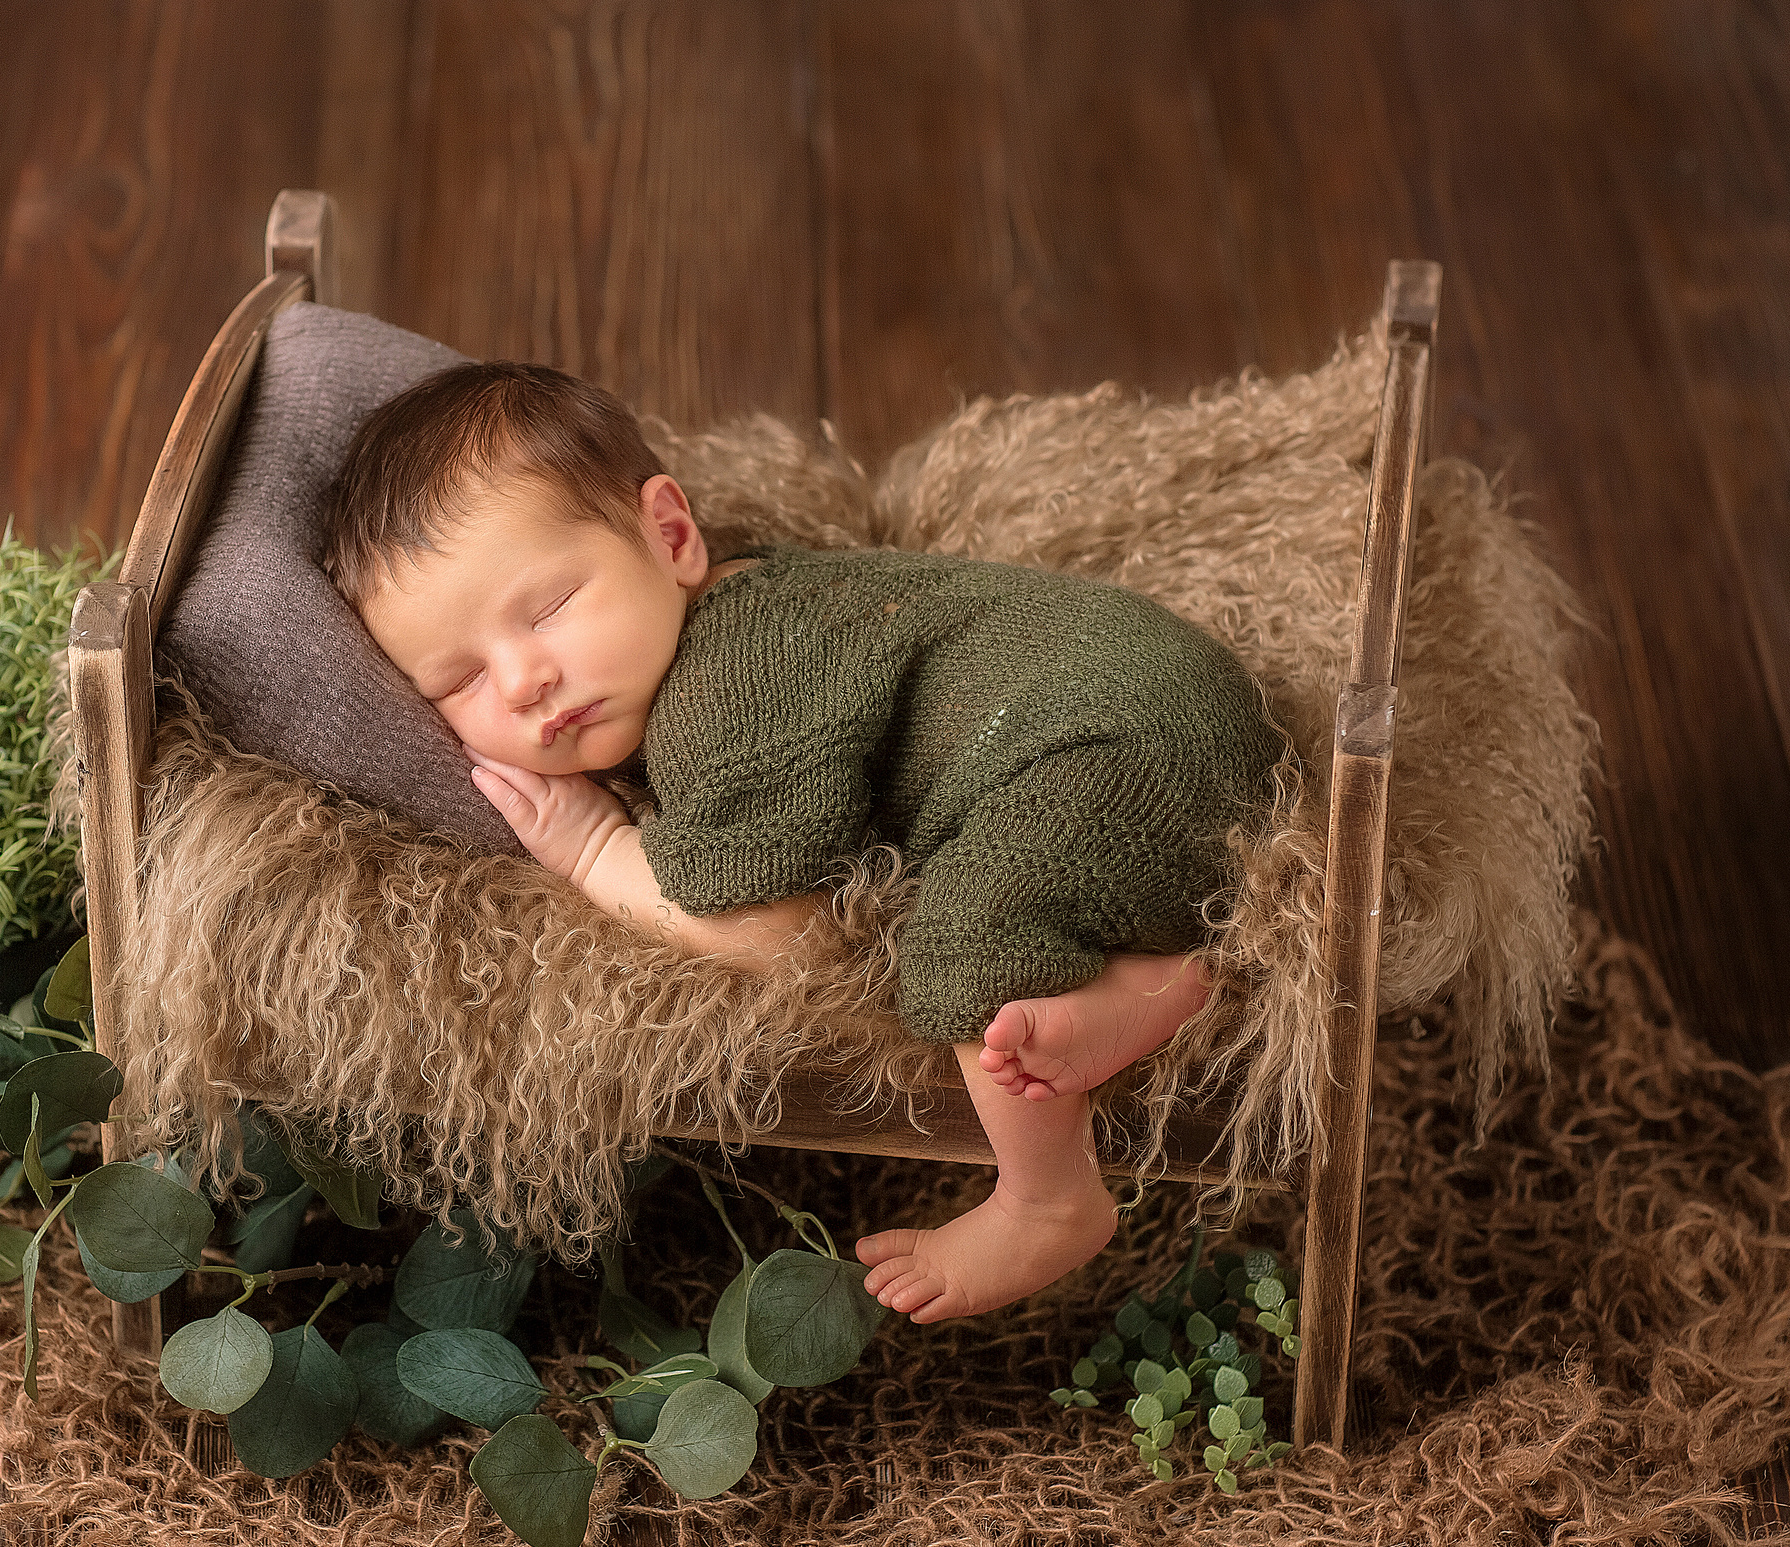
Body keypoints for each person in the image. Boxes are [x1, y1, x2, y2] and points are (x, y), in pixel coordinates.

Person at [323, 362, 1283, 1324]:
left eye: (550, 608)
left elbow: (780, 938)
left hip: (1114, 742)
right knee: (1035, 882)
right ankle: (1148, 985)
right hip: (1164, 703)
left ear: (670, 536)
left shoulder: (725, 691)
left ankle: (1048, 1200)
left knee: (963, 942)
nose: (525, 676)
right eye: (460, 678)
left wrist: (594, 851)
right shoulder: (741, 611)